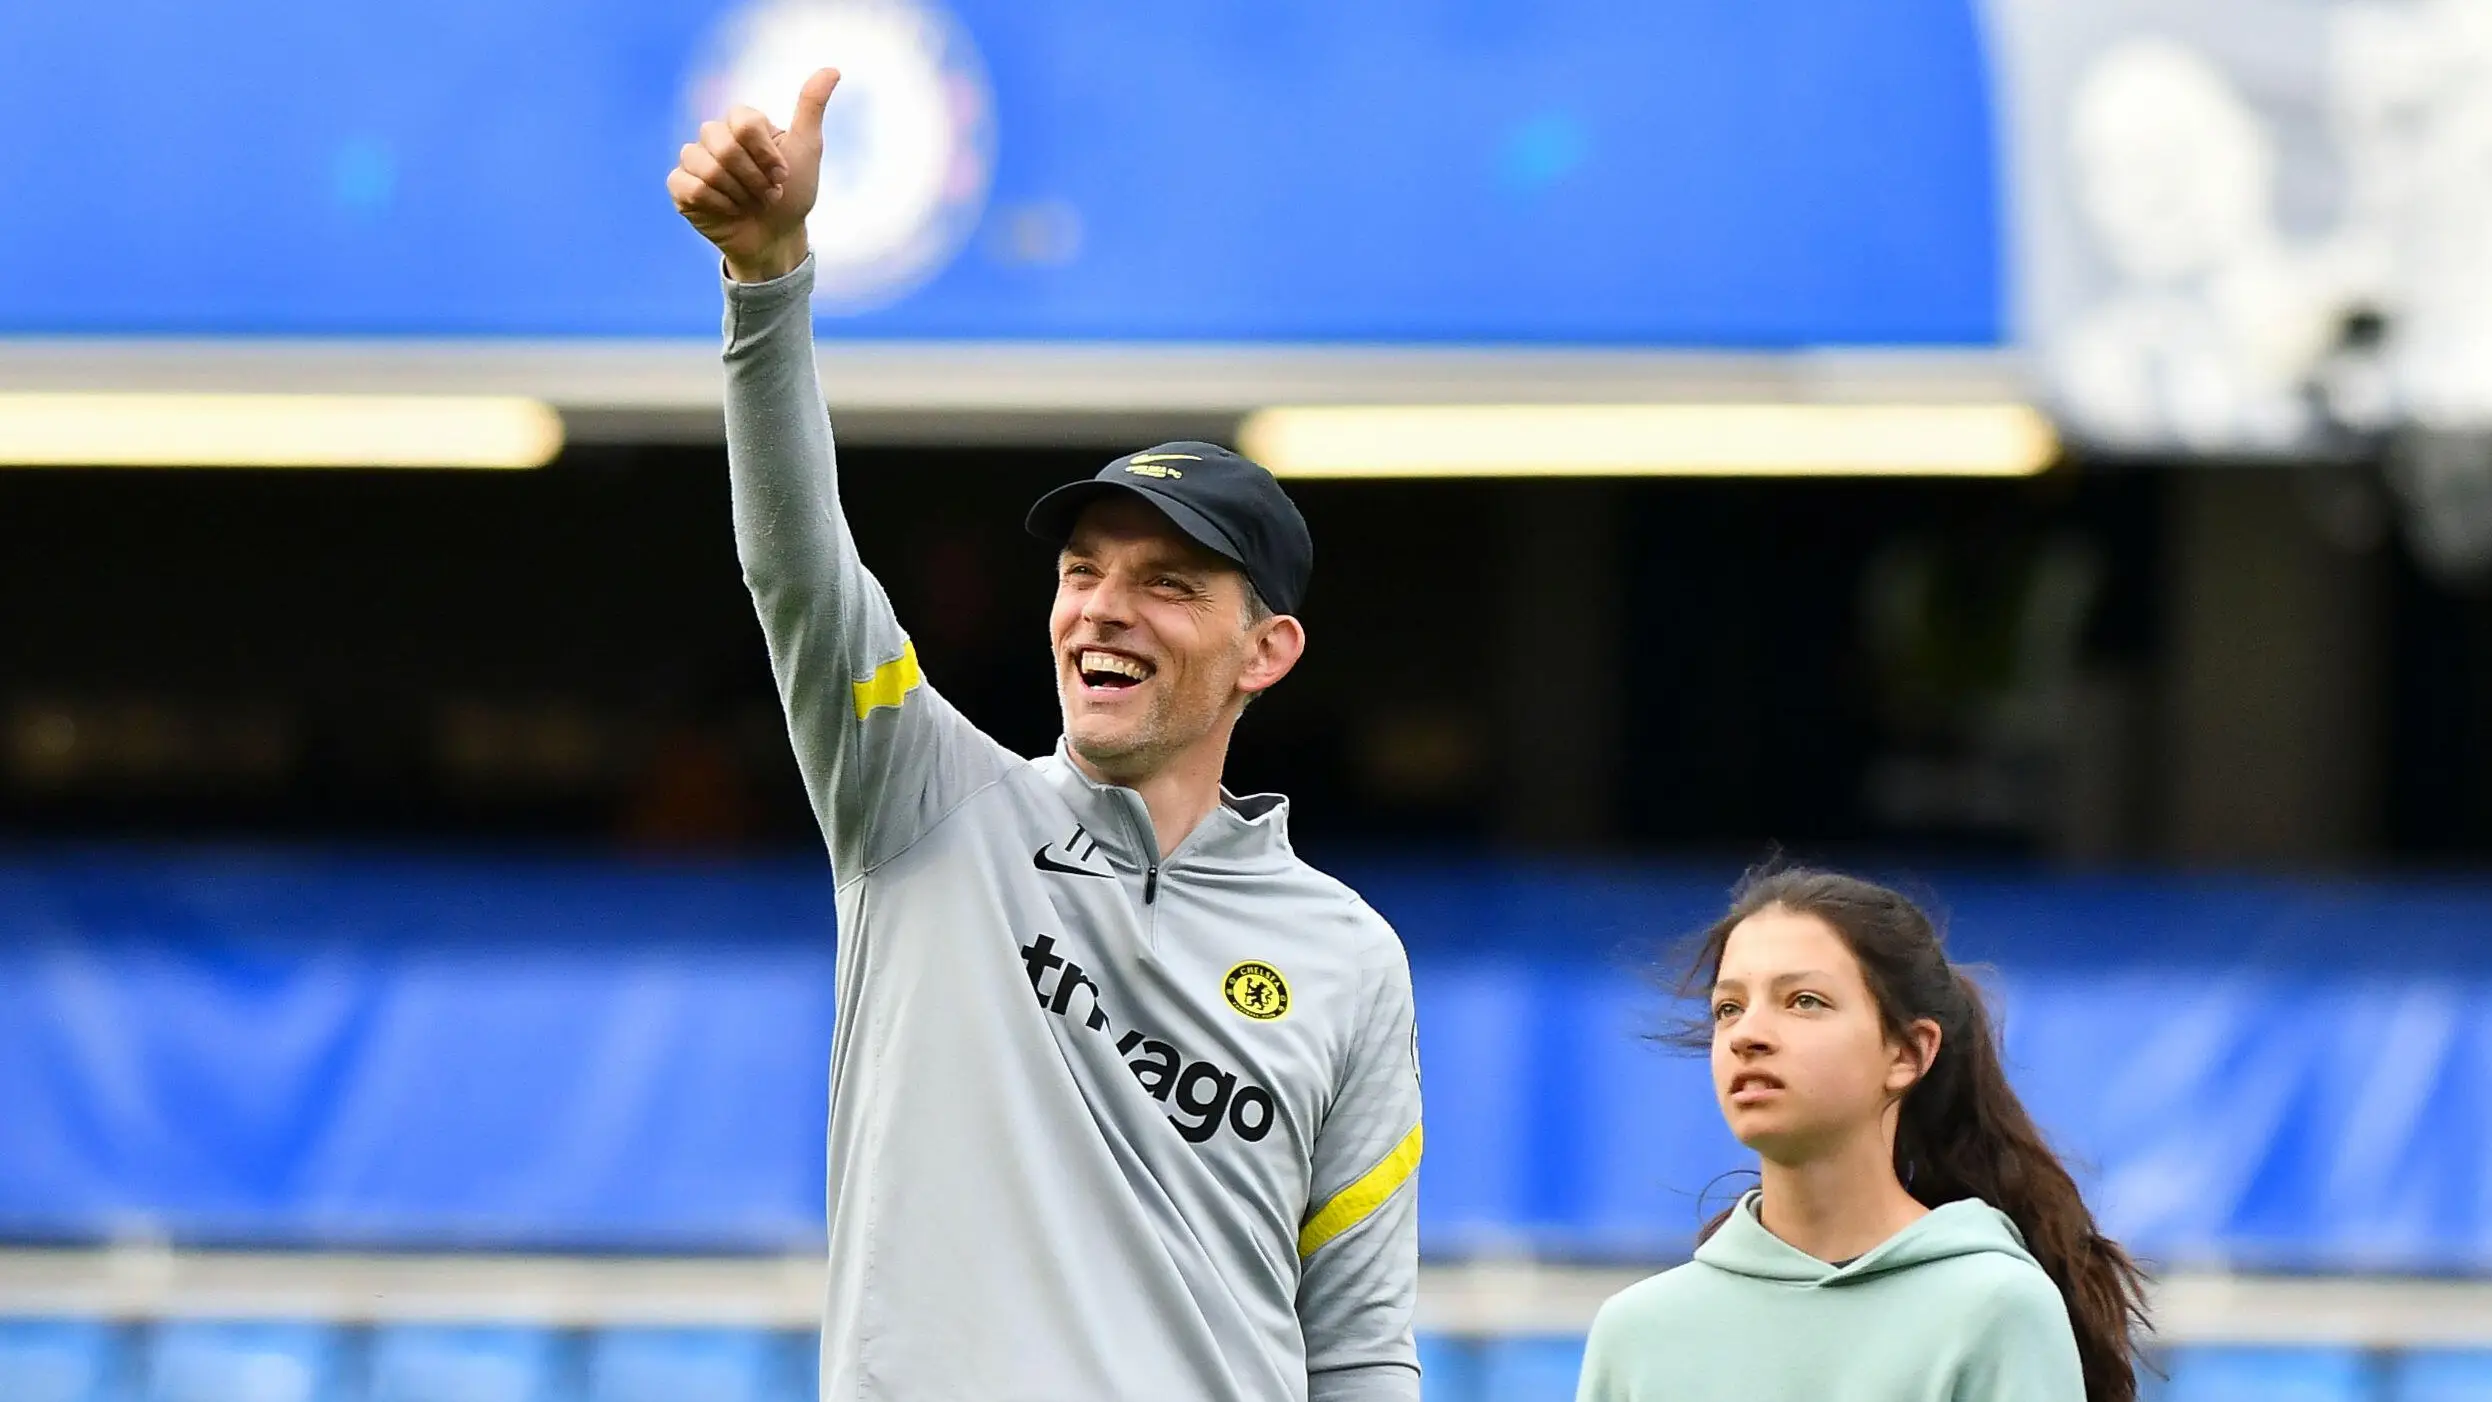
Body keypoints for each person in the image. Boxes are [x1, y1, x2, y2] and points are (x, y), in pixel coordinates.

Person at [666, 69, 1423, 1402]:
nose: (1102, 611)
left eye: (1168, 584)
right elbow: (800, 574)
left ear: (1269, 651)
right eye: (1083, 571)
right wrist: (768, 279)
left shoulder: (1349, 957)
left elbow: (1357, 1343)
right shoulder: (923, 803)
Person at [1577, 867, 2149, 1402]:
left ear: (1907, 1054)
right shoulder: (1638, 1333)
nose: (1747, 1034)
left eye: (1804, 1001)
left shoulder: (1993, 1306)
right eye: (1729, 1007)